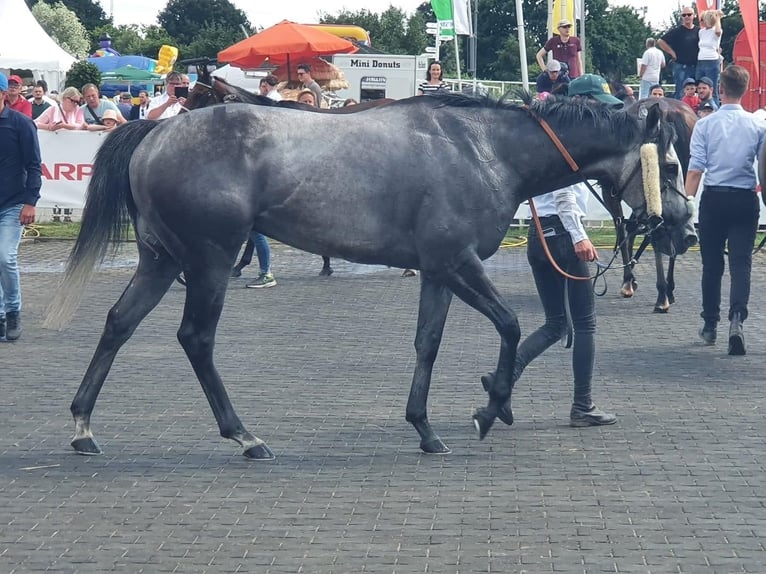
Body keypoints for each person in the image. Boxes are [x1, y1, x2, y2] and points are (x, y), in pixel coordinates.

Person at [485, 74, 620, 428]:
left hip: (537, 233)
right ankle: (582, 406)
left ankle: (506, 376)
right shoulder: (571, 140)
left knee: (556, 323)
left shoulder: (547, 134)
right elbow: (564, 193)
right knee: (585, 325)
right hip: (562, 235)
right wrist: (580, 235)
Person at [685, 65, 766, 356]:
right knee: (741, 264)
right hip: (745, 198)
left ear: (720, 88)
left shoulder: (705, 125)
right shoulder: (758, 126)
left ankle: (710, 325)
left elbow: (695, 169)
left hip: (714, 199)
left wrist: (688, 202)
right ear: (744, 90)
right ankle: (737, 320)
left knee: (712, 265)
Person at [0, 72, 42, 341]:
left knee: (5, 257)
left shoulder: (21, 124)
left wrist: (31, 201)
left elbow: (34, 165)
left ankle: (13, 310)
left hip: (13, 202)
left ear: (4, 94)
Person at [658, 7, 699, 99]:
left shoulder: (698, 31)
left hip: (696, 66)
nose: (687, 17)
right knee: (681, 92)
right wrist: (672, 52)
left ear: (694, 16)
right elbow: (660, 41)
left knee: (697, 92)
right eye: (684, 15)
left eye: (689, 14)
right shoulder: (677, 31)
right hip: (681, 66)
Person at [696, 10, 723, 105]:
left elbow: (718, 31)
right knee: (699, 85)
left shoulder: (715, 31)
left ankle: (714, 107)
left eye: (703, 19)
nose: (702, 21)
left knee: (712, 88)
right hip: (701, 60)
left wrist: (718, 17)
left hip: (712, 60)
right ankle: (702, 106)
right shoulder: (701, 32)